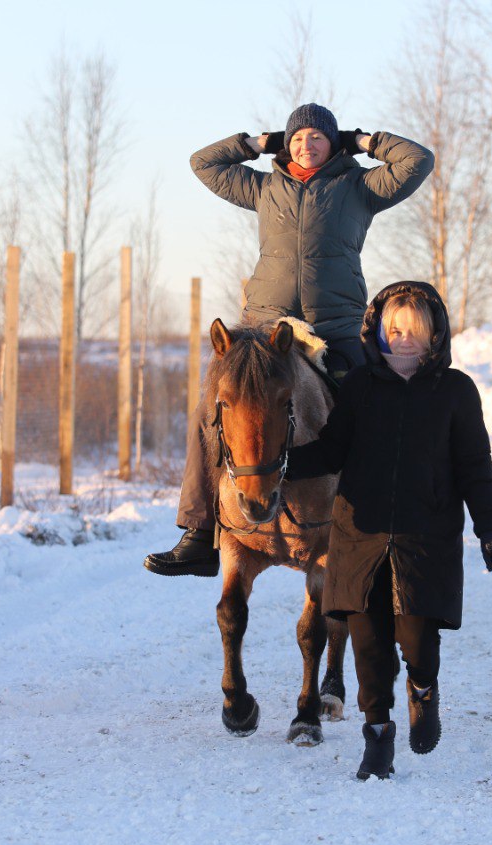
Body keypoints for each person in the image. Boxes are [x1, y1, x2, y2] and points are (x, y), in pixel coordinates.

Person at [144, 104, 435, 578]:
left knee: (371, 404)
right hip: (263, 325)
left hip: (335, 325)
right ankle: (199, 533)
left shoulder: (360, 186)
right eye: (297, 137)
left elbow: (417, 160)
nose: (306, 144)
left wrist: (363, 142)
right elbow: (203, 163)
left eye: (317, 137)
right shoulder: (263, 186)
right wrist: (258, 143)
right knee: (209, 409)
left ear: (332, 142)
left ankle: (380, 529)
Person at [286, 281, 492, 780]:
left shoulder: (456, 392)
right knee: (367, 644)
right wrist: (280, 465)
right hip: (358, 537)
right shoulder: (362, 387)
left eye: (415, 330)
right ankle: (377, 738)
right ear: (380, 333)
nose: (404, 339)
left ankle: (423, 690)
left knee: (416, 642)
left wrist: (490, 527)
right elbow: (331, 450)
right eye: (395, 329)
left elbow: (475, 465)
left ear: (434, 336)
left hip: (424, 540)